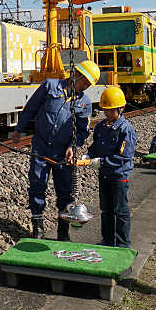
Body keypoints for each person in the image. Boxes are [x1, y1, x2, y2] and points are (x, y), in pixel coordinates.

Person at [14, 60, 97, 240]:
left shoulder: (85, 103)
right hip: (41, 147)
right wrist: (19, 129)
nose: (86, 87)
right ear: (76, 74)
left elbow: (82, 130)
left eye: (89, 85)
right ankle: (38, 226)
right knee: (37, 185)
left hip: (62, 153)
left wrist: (72, 147)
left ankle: (63, 230)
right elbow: (31, 108)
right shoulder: (50, 86)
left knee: (65, 191)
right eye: (85, 82)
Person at [79, 85, 137, 247]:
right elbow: (95, 146)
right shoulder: (101, 126)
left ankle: (122, 244)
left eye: (111, 111)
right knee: (106, 211)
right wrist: (89, 155)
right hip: (104, 175)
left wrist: (99, 162)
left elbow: (123, 157)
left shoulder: (126, 130)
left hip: (119, 177)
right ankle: (108, 240)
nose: (107, 113)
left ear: (121, 109)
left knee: (121, 212)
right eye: (105, 110)